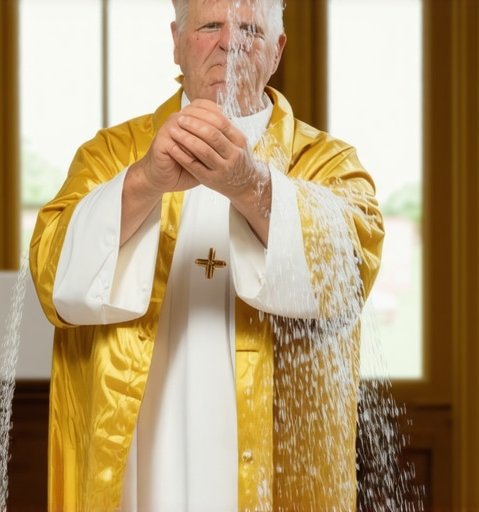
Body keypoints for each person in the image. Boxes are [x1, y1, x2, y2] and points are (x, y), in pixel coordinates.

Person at [29, 0, 384, 510]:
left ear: (277, 51)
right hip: (138, 468)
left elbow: (347, 272)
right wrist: (145, 181)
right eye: (210, 26)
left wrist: (251, 186)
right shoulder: (110, 155)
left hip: (274, 476)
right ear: (176, 41)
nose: (228, 43)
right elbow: (50, 278)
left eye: (250, 30)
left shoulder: (325, 162)